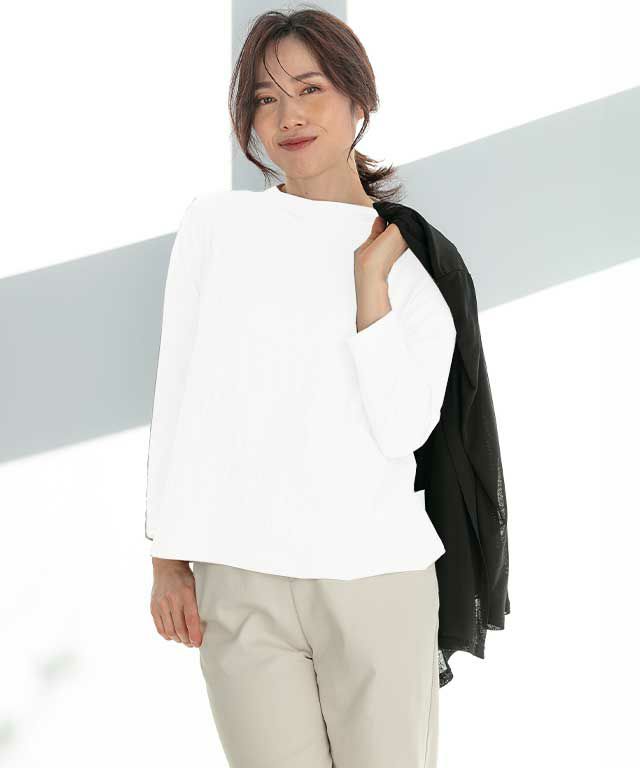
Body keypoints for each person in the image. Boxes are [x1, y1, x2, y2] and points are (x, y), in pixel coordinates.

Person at [147, 8, 457, 768]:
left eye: (310, 89)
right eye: (265, 98)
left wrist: (370, 287)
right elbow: (176, 391)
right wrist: (165, 556)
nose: (287, 116)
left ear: (358, 99)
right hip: (240, 577)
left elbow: (403, 430)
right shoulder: (215, 227)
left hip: (374, 580)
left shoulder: (415, 265)